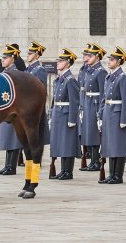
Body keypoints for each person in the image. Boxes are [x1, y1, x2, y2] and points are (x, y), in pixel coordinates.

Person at [98, 46, 126, 184]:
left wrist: (124, 119)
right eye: (109, 59)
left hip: (118, 114)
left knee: (118, 146)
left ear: (119, 62)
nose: (109, 62)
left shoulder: (122, 77)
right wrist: (101, 115)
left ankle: (118, 175)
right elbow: (104, 98)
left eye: (112, 60)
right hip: (108, 113)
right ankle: (111, 174)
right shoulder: (109, 76)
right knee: (110, 145)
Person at [50, 48, 81, 180]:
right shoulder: (59, 79)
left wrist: (72, 119)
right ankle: (63, 170)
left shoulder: (70, 80)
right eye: (58, 61)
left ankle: (68, 171)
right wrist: (51, 115)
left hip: (66, 114)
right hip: (58, 114)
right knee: (60, 143)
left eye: (61, 61)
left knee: (67, 143)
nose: (58, 63)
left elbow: (74, 101)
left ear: (68, 63)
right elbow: (54, 100)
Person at [0, 44, 24, 176]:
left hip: (13, 111)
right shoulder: (4, 73)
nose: (3, 60)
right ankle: (7, 165)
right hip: (4, 110)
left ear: (12, 58)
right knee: (7, 138)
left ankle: (11, 166)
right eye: (2, 58)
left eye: (5, 58)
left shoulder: (16, 74)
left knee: (13, 138)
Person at [79, 43, 108, 173]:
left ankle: (96, 161)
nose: (87, 58)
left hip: (95, 104)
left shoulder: (101, 72)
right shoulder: (89, 70)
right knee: (88, 132)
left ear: (97, 57)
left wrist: (101, 111)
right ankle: (93, 160)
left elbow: (103, 93)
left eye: (90, 56)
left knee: (94, 133)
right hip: (88, 102)